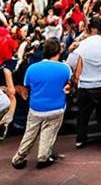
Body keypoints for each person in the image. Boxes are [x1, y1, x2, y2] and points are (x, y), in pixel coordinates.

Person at [11, 38, 71, 169]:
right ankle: (43, 156)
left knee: (30, 133)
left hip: (36, 107)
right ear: (58, 51)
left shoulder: (32, 68)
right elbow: (68, 84)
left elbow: (27, 86)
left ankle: (19, 157)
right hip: (56, 107)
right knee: (49, 133)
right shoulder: (65, 68)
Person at [73, 16, 101, 154]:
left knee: (82, 115)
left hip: (86, 86)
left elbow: (76, 63)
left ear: (89, 28)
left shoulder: (83, 43)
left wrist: (76, 79)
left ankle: (81, 139)